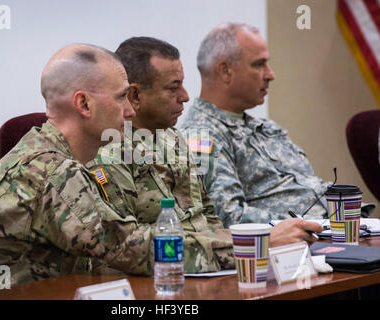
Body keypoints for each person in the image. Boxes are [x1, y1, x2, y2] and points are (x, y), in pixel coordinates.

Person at [87, 37, 323, 275]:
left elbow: (208, 219)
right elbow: (130, 248)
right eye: (173, 87)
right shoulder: (109, 152)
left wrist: (255, 248)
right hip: (160, 280)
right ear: (135, 96)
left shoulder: (174, 139)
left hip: (210, 269)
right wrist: (257, 243)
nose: (186, 96)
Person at [0, 43, 166, 290]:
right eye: (121, 97)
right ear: (84, 104)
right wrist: (216, 245)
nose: (130, 110)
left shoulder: (65, 156)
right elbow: (133, 249)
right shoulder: (51, 170)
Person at [180, 22, 338, 227]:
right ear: (226, 71)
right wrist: (310, 224)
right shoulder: (200, 136)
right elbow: (228, 218)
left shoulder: (265, 127)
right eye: (258, 64)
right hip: (291, 246)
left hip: (335, 229)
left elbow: (309, 187)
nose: (270, 74)